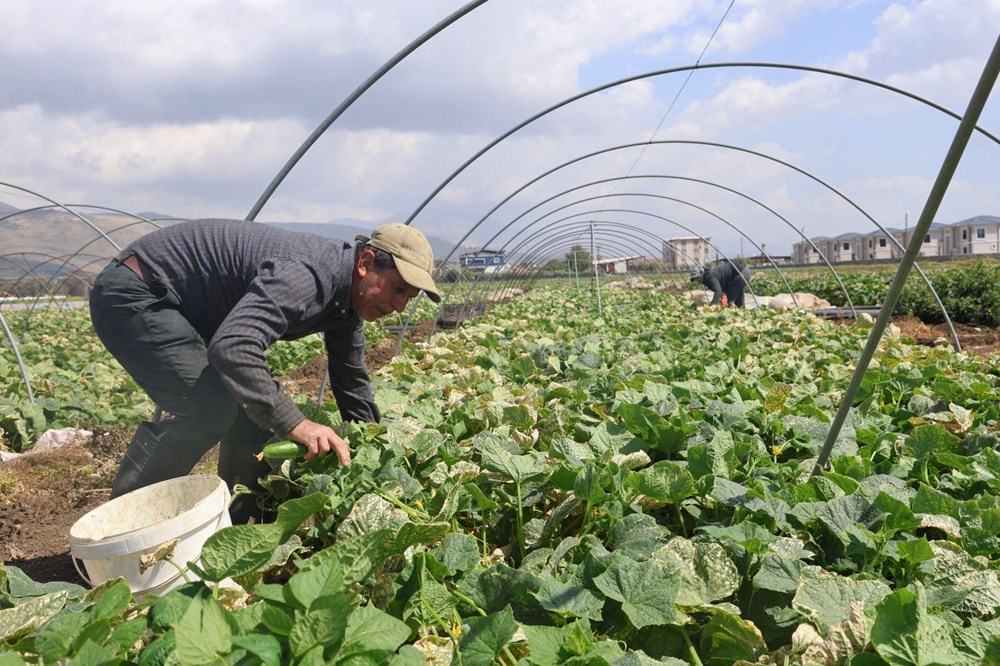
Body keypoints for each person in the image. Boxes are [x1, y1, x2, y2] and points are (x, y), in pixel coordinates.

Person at [88, 218, 441, 523]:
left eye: (409, 297)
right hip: (137, 293)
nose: (399, 306)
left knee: (254, 409)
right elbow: (233, 347)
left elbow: (351, 379)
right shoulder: (307, 276)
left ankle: (236, 523)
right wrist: (297, 423)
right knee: (210, 406)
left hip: (180, 305)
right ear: (365, 262)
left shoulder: (347, 301)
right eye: (398, 289)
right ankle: (128, 524)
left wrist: (372, 447)